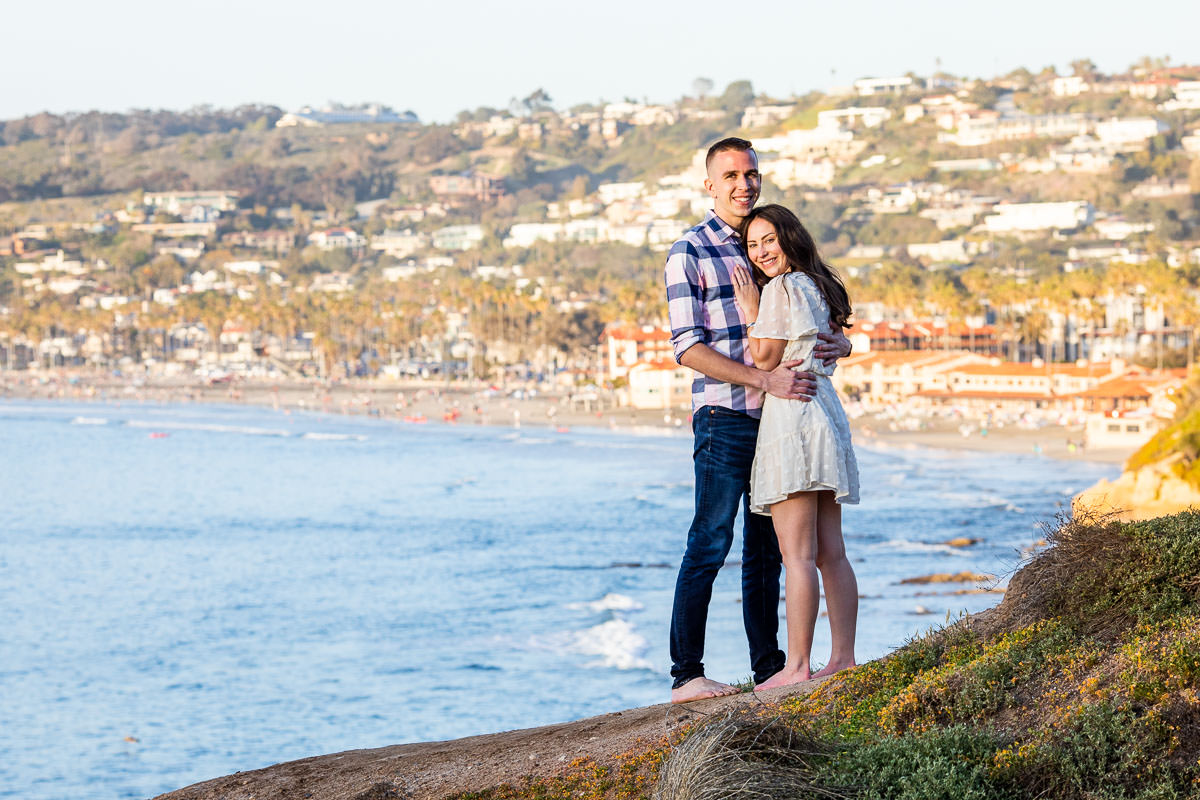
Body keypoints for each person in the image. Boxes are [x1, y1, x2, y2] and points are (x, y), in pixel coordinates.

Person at [664, 138, 852, 704]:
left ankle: (772, 665)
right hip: (725, 414)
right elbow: (686, 348)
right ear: (709, 184)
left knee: (770, 550)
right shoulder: (689, 252)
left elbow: (811, 316)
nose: (743, 185)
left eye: (750, 174)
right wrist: (763, 378)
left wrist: (837, 347)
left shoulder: (765, 242)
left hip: (780, 420)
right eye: (730, 176)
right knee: (711, 539)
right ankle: (686, 674)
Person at [730, 203, 860, 689]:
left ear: (789, 236)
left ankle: (798, 666)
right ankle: (842, 657)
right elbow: (830, 344)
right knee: (832, 552)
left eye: (768, 240)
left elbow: (764, 356)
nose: (761, 252)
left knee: (797, 555)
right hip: (825, 413)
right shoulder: (816, 284)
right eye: (752, 245)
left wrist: (751, 310)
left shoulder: (782, 288)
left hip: (794, 418)